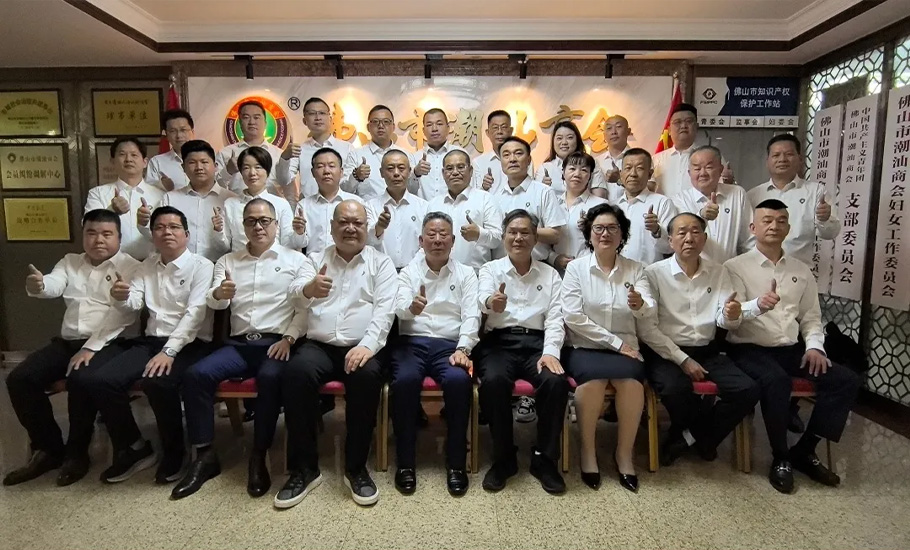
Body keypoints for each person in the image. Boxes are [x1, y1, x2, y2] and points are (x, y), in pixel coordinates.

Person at [173, 198, 309, 500]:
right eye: (251, 221)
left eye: (264, 220)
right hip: (239, 345)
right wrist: (220, 294)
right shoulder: (227, 261)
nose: (258, 226)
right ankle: (204, 455)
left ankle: (259, 453)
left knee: (270, 378)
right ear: (242, 225)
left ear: (276, 225)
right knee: (196, 375)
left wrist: (288, 339)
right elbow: (215, 302)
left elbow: (304, 308)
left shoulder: (296, 260)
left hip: (276, 344)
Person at [70, 206, 214, 485]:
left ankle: (175, 451)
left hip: (190, 343)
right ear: (152, 234)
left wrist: (169, 351)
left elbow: (194, 315)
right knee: (101, 380)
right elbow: (134, 303)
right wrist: (122, 296)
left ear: (186, 234)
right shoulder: (146, 265)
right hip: (151, 341)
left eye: (174, 227)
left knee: (157, 381)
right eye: (160, 227)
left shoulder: (202, 266)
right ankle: (134, 447)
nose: (167, 232)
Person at [725, 199, 861, 494]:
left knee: (845, 380)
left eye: (781, 221)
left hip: (789, 348)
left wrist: (815, 347)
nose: (774, 226)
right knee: (776, 381)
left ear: (788, 228)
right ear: (753, 228)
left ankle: (805, 449)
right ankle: (781, 456)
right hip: (748, 347)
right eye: (767, 220)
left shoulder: (801, 270)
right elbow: (729, 315)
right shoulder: (735, 267)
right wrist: (757, 305)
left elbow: (811, 317)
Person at [2, 210, 140, 487]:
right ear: (83, 235)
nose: (98, 240)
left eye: (107, 234)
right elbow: (53, 284)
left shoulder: (131, 266)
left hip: (111, 342)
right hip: (68, 342)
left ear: (119, 237)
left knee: (80, 378)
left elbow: (124, 315)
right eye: (92, 233)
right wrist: (40, 285)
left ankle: (77, 453)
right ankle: (48, 448)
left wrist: (91, 348)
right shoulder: (70, 262)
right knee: (20, 378)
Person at [277, 200, 397, 508]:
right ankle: (305, 469)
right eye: (343, 222)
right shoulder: (315, 259)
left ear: (367, 228)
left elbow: (385, 312)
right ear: (331, 227)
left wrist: (367, 346)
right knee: (296, 374)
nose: (350, 228)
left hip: (362, 345)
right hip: (319, 345)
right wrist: (308, 289)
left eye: (357, 223)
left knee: (366, 378)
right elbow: (293, 295)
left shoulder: (381, 263)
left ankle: (356, 468)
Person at [639, 212, 760, 466]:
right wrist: (682, 360)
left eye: (695, 232)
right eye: (682, 232)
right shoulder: (653, 274)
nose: (689, 238)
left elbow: (725, 319)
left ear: (704, 239)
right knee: (675, 388)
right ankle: (697, 437)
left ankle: (688, 437)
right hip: (666, 351)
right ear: (670, 240)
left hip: (707, 349)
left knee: (747, 390)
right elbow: (648, 329)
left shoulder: (719, 272)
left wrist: (731, 315)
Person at [561, 203, 653, 493]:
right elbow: (573, 317)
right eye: (598, 228)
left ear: (622, 234)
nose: (605, 233)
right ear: (589, 234)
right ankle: (588, 451)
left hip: (628, 348)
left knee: (631, 384)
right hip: (585, 346)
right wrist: (615, 343)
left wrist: (640, 304)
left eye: (613, 228)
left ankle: (624, 455)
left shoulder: (636, 269)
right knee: (593, 383)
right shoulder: (576, 268)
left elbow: (648, 308)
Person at [476, 209, 569, 494]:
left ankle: (544, 459)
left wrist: (550, 352)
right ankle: (504, 458)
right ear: (503, 237)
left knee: (555, 382)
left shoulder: (550, 275)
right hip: (498, 343)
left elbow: (555, 319)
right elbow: (482, 298)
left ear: (535, 238)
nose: (518, 238)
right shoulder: (490, 270)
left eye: (525, 232)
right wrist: (491, 303)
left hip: (537, 344)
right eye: (512, 232)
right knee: (493, 382)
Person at [391, 212, 479, 496]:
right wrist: (411, 309)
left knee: (459, 381)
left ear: (453, 241)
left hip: (450, 345)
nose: (437, 240)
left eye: (443, 235)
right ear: (421, 240)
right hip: (412, 343)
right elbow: (398, 307)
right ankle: (405, 463)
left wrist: (463, 349)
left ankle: (456, 464)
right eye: (431, 234)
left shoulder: (466, 274)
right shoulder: (408, 272)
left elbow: (472, 316)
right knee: (404, 382)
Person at [747, 134, 841, 265]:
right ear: (767, 161)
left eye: (789, 154)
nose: (782, 159)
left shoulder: (816, 192)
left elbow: (831, 233)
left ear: (800, 159)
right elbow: (746, 238)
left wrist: (824, 219)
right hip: (758, 269)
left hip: (798, 270)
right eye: (776, 155)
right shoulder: (753, 195)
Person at [142, 140, 235, 262]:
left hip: (218, 266)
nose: (199, 167)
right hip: (179, 266)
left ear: (215, 166)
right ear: (183, 167)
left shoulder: (230, 199)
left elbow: (233, 245)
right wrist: (143, 224)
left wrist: (219, 231)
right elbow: (158, 235)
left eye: (204, 162)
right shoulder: (170, 199)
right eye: (192, 162)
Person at [85, 137, 163, 260]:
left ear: (145, 162)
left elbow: (167, 234)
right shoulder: (98, 193)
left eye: (134, 155)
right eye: (122, 154)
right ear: (112, 161)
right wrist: (111, 211)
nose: (128, 159)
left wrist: (145, 224)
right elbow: (88, 227)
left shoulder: (161, 195)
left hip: (151, 264)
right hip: (111, 263)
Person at [673, 146, 753, 264]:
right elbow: (681, 237)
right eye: (697, 168)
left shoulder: (737, 193)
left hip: (730, 270)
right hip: (694, 271)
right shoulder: (679, 200)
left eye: (709, 167)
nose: (703, 173)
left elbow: (749, 240)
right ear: (689, 173)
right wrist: (702, 216)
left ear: (720, 170)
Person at [426, 149, 503, 271]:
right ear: (443, 173)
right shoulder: (433, 204)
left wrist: (479, 234)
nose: (455, 172)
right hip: (440, 276)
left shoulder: (485, 199)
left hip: (477, 275)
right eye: (449, 168)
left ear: (471, 171)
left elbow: (498, 238)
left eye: (461, 167)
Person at [493, 137, 566, 262]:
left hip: (538, 266)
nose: (512, 159)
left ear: (528, 160)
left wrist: (523, 230)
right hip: (501, 268)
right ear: (501, 162)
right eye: (506, 155)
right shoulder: (494, 197)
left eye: (518, 153)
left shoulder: (544, 192)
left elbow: (555, 235)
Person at [292, 147, 376, 255]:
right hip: (315, 263)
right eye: (320, 166)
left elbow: (371, 237)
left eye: (331, 166)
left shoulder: (357, 203)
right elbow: (299, 244)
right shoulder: (304, 205)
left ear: (341, 172)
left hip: (350, 262)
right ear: (313, 172)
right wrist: (299, 232)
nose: (326, 171)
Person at [216, 146, 294, 252]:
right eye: (246, 168)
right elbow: (225, 247)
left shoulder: (281, 204)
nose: (252, 173)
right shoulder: (230, 204)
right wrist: (219, 231)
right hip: (240, 260)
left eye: (258, 167)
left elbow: (287, 244)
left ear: (267, 171)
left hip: (274, 260)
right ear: (241, 172)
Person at [282, 97, 354, 201]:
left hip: (341, 205)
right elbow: (285, 180)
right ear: (305, 121)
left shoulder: (347, 148)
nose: (317, 118)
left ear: (330, 118)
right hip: (309, 207)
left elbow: (350, 185)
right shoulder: (299, 150)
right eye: (312, 113)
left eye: (322, 113)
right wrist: (284, 159)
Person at [366, 149, 427, 269]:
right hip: (380, 273)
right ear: (381, 173)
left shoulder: (423, 207)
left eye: (401, 168)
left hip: (415, 272)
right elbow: (367, 242)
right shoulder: (370, 206)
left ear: (409, 171)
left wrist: (411, 270)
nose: (396, 173)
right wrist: (379, 227)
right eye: (390, 168)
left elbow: (427, 244)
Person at [615, 148, 677, 266]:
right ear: (621, 173)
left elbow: (671, 247)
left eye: (640, 168)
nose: (633, 174)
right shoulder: (613, 206)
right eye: (628, 168)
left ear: (649, 174)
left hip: (649, 273)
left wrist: (657, 230)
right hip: (617, 272)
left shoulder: (662, 203)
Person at [652, 103, 726, 198]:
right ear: (669, 130)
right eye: (677, 122)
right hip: (664, 207)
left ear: (696, 127)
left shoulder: (712, 157)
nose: (683, 126)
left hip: (701, 207)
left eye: (689, 121)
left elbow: (722, 187)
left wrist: (728, 180)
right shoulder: (655, 160)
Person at [216, 100, 289, 196]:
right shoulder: (225, 153)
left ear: (265, 123)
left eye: (256, 117)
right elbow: (214, 188)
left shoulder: (280, 155)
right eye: (246, 117)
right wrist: (228, 171)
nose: (252, 122)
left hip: (271, 205)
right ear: (240, 123)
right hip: (236, 204)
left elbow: (290, 190)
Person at [551, 151, 607, 271]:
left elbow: (608, 242)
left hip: (590, 270)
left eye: (584, 170)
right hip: (556, 272)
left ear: (590, 176)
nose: (577, 174)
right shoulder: (552, 203)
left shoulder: (601, 205)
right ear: (563, 173)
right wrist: (554, 258)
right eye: (572, 168)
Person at [342, 104, 406, 201]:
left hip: (400, 207)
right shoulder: (356, 155)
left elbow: (413, 189)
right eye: (375, 122)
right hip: (367, 209)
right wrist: (356, 176)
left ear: (393, 127)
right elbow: (344, 190)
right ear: (368, 127)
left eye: (386, 122)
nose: (381, 126)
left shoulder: (405, 155)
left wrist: (417, 174)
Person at [408, 108, 467, 201]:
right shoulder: (414, 158)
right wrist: (416, 173)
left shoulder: (461, 154)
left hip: (454, 208)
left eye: (439, 124)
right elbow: (408, 192)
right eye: (429, 125)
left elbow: (469, 188)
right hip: (424, 209)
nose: (434, 129)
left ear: (448, 128)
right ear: (423, 130)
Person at [535, 121, 607, 195]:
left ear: (577, 140)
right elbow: (536, 198)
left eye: (569, 137)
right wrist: (542, 189)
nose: (564, 142)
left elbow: (599, 196)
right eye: (559, 138)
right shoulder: (544, 168)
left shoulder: (590, 163)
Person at [472, 110, 531, 194]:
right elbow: (475, 195)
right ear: (487, 133)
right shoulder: (478, 162)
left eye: (504, 127)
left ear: (511, 130)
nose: (499, 132)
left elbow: (531, 186)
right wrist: (484, 187)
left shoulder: (523, 159)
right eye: (495, 128)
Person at [146, 109, 195, 192]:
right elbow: (149, 193)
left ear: (192, 132)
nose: (179, 136)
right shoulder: (157, 162)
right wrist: (162, 187)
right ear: (166, 135)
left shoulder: (207, 159)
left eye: (183, 130)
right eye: (173, 131)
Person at [593, 115, 633, 196]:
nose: (613, 132)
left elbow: (650, 188)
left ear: (628, 131)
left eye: (618, 127)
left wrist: (620, 179)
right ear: (604, 135)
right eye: (609, 128)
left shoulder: (640, 158)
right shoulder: (596, 162)